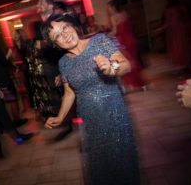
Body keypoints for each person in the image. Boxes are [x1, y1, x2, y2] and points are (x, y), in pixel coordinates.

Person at [42, 14, 140, 185]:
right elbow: (69, 92)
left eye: (64, 27)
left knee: (121, 161)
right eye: (57, 36)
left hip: (115, 115)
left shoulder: (99, 41)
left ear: (72, 26)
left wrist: (111, 68)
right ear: (55, 44)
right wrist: (60, 116)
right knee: (101, 165)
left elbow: (126, 64)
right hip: (90, 119)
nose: (64, 35)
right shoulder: (64, 63)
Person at [35, 0, 75, 140]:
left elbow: (64, 44)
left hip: (62, 62)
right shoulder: (40, 25)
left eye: (42, 2)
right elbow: (40, 46)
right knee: (60, 92)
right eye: (38, 3)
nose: (38, 4)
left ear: (51, 6)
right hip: (51, 64)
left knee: (71, 89)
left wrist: (62, 70)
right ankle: (67, 122)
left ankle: (74, 120)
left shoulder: (58, 20)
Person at [107, 0, 146, 92]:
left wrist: (106, 35)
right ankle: (141, 84)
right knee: (133, 61)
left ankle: (132, 85)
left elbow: (115, 31)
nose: (108, 10)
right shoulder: (125, 13)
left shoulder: (114, 17)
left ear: (113, 7)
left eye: (109, 8)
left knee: (126, 62)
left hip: (123, 41)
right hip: (132, 39)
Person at [154, 0, 191, 71]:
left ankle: (184, 68)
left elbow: (172, 22)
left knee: (180, 50)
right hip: (178, 32)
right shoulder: (178, 8)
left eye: (168, 0)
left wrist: (161, 29)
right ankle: (185, 67)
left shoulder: (173, 10)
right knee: (182, 49)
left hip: (177, 33)